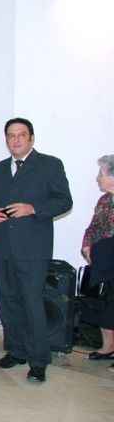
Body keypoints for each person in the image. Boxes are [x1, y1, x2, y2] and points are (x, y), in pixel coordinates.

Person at [0, 117, 72, 383]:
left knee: (32, 305)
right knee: (7, 303)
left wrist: (33, 208)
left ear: (31, 138)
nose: (16, 140)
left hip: (32, 250)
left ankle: (39, 360)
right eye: (11, 136)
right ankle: (16, 350)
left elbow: (64, 201)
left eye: (22, 135)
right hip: (3, 248)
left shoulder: (50, 165)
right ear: (6, 140)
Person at [80, 155, 114, 373]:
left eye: (101, 174)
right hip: (105, 262)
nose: (97, 178)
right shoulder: (104, 201)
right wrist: (87, 247)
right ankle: (108, 348)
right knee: (106, 306)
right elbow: (93, 228)